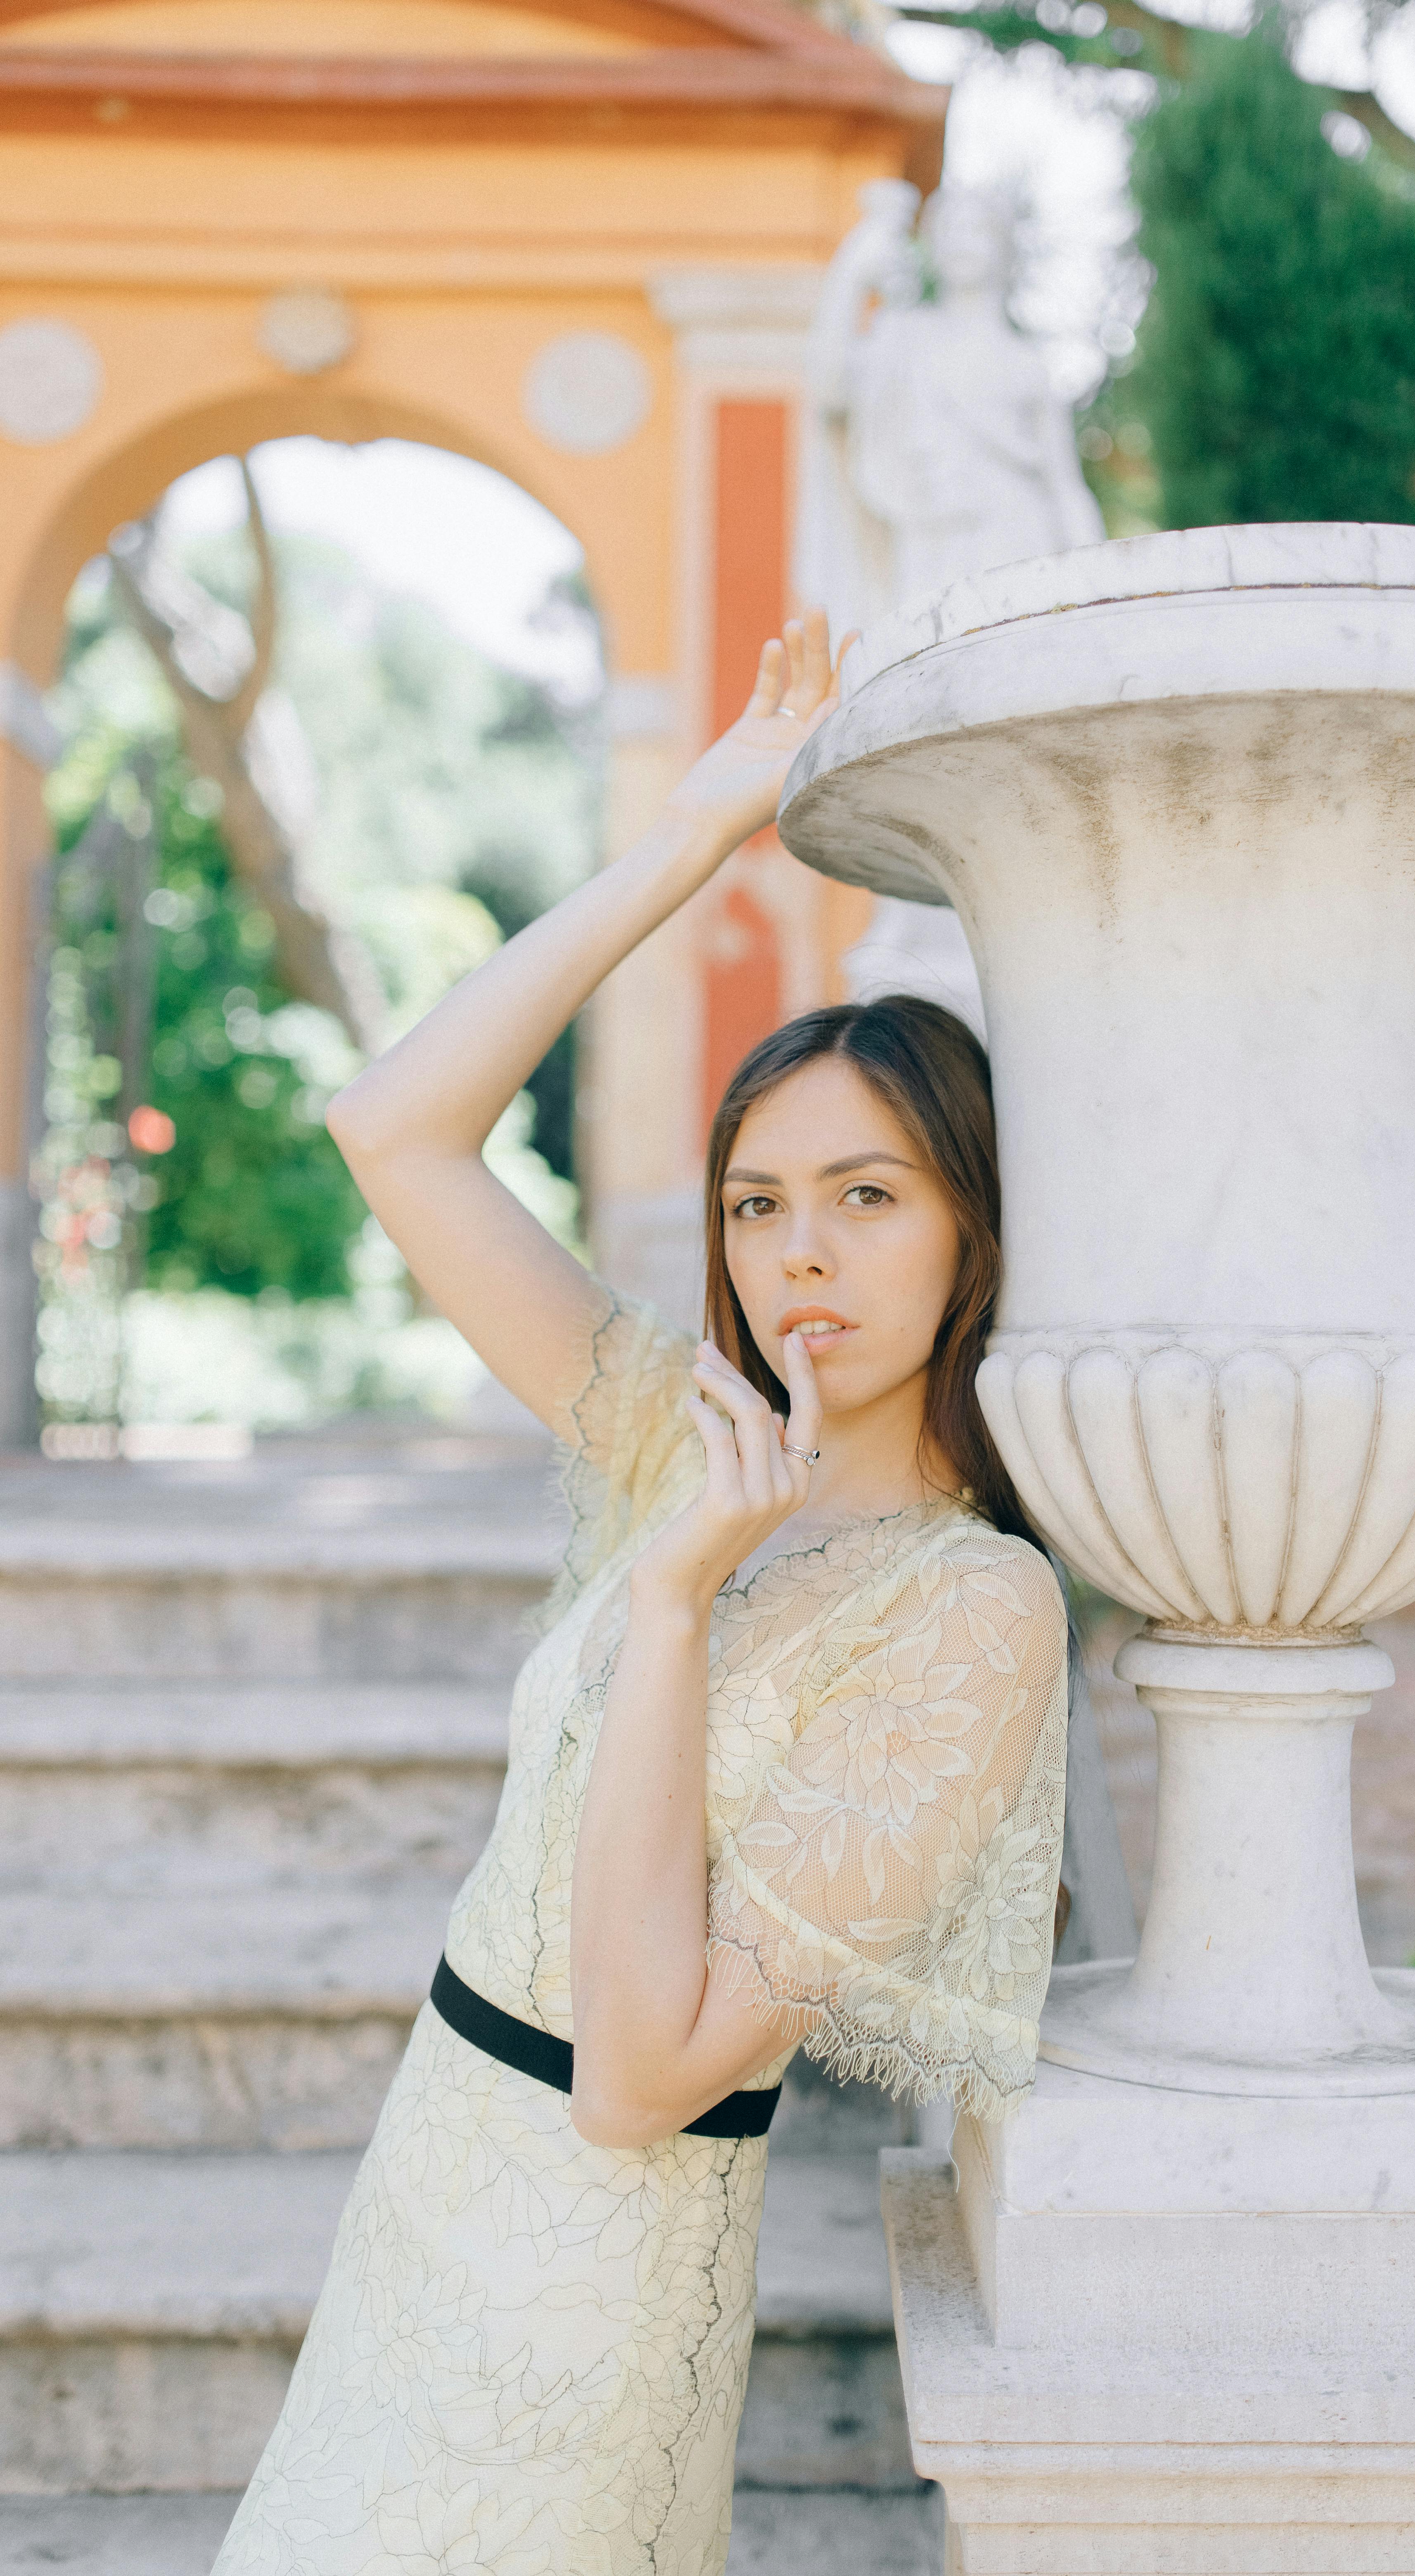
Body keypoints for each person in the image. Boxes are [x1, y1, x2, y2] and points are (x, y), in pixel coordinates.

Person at [211, 611, 1070, 2576]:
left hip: (594, 2279)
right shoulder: (661, 1437)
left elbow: (643, 2074)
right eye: (758, 1204)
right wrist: (690, 839)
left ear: (973, 1227)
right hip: (432, 2177)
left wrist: (678, 1605)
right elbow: (392, 1126)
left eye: (869, 1196)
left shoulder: (968, 1613)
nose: (799, 1258)